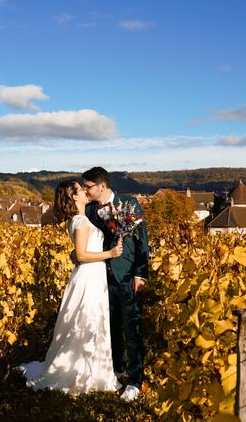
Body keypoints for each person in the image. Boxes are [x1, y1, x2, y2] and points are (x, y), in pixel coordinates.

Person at [19, 180, 123, 395]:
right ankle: (84, 372)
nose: (86, 190)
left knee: (88, 320)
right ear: (74, 197)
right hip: (89, 275)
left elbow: (77, 253)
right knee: (87, 320)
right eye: (80, 189)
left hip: (91, 275)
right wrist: (110, 254)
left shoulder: (78, 220)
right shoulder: (81, 221)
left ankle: (91, 368)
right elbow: (83, 255)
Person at [82, 167, 149, 402]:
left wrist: (141, 274)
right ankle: (117, 370)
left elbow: (142, 241)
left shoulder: (128, 203)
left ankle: (135, 380)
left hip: (127, 275)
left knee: (132, 329)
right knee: (110, 326)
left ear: (102, 186)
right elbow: (85, 240)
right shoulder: (89, 210)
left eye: (88, 186)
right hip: (100, 277)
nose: (85, 190)